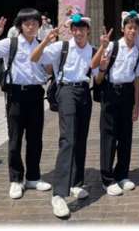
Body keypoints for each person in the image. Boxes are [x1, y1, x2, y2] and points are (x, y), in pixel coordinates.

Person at [0, 9, 51, 199]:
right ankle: (16, 180)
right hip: (16, 95)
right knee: (15, 139)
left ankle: (33, 177)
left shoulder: (41, 44)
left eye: (34, 23)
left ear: (39, 25)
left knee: (35, 139)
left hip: (36, 94)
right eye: (27, 23)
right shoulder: (10, 43)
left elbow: (49, 69)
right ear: (20, 25)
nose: (31, 27)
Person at [30, 13, 97, 218]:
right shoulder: (62, 47)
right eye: (74, 29)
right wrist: (45, 42)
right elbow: (34, 58)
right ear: (71, 30)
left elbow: (98, 77)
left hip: (84, 91)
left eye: (81, 28)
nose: (78, 32)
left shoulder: (93, 50)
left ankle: (76, 183)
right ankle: (58, 194)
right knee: (68, 139)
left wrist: (102, 63)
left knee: (81, 138)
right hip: (66, 90)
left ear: (88, 30)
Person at [91, 11, 139, 196]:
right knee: (109, 136)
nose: (132, 31)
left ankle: (122, 174)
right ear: (123, 29)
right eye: (129, 27)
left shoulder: (137, 50)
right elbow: (93, 66)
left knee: (126, 136)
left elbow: (137, 79)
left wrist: (136, 104)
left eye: (136, 28)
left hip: (127, 93)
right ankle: (107, 179)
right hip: (111, 92)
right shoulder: (113, 46)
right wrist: (102, 47)